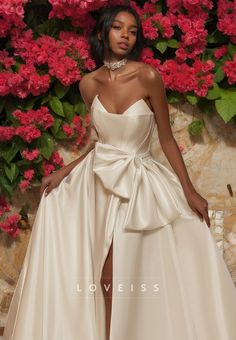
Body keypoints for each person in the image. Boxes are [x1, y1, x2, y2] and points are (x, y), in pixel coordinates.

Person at [3, 4, 236, 340]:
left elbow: (167, 140)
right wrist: (64, 171)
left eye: (132, 30)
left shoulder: (148, 76)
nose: (126, 35)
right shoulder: (87, 84)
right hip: (96, 182)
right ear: (102, 33)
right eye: (118, 28)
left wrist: (189, 191)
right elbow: (100, 141)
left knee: (125, 274)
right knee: (99, 274)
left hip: (139, 182)